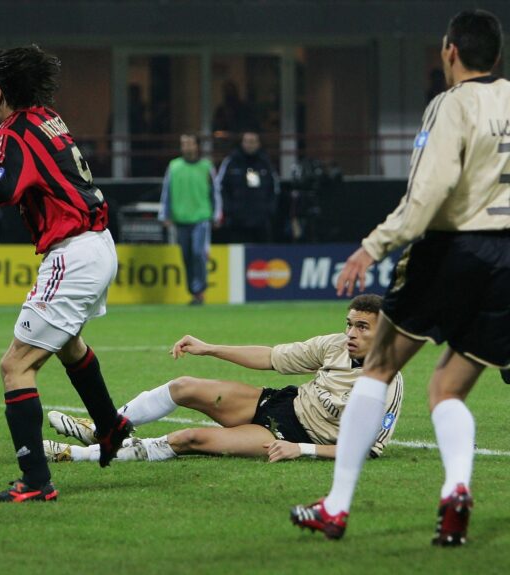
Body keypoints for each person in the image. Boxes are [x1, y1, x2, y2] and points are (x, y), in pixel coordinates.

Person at [290, 9, 510, 547]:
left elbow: (427, 192)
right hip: (507, 259)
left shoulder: (451, 104)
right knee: (447, 387)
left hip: (454, 247)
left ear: (449, 51)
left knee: (379, 367)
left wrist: (373, 245)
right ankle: (456, 488)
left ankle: (336, 507)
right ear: (497, 56)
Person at [0, 45, 133, 503]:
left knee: (15, 365)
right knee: (69, 345)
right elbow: (24, 166)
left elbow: (4, 188)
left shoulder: (11, 129)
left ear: (0, 92)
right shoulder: (44, 117)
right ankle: (110, 426)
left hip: (73, 253)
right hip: (97, 244)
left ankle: (36, 481)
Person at [44, 295, 403, 465]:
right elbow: (271, 357)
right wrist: (210, 348)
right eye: (349, 323)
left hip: (290, 435)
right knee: (184, 385)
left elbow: (369, 449)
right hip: (279, 403)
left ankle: (73, 455)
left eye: (361, 327)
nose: (350, 333)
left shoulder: (388, 384)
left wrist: (301, 449)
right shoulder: (334, 345)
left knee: (189, 438)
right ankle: (104, 426)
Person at [159, 134, 221, 305]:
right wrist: (165, 214)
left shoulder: (206, 166)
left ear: (197, 146)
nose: (186, 147)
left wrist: (217, 214)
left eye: (189, 143)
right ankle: (193, 292)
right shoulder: (174, 166)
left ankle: (199, 291)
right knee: (186, 256)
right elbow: (167, 191)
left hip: (201, 217)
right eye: (183, 144)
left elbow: (215, 192)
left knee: (197, 252)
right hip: (181, 218)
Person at [214, 131, 279, 243]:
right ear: (242, 143)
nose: (250, 145)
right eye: (247, 141)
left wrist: (268, 210)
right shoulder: (231, 162)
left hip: (261, 221)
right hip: (236, 221)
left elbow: (275, 189)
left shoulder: (265, 163)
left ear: (258, 144)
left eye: (253, 141)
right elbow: (220, 187)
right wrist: (229, 209)